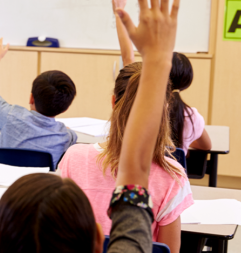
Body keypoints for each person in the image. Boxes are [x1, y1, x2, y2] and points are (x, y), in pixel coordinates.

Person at [0, 0, 183, 253]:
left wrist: (155, 58)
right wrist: (158, 58)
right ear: (98, 240)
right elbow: (136, 171)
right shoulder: (172, 176)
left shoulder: (74, 157)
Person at [58, 61, 193, 252]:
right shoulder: (172, 176)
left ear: (114, 102)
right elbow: (168, 249)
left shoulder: (73, 158)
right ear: (166, 106)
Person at [111, 0, 211, 152]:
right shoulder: (191, 116)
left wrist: (118, 12)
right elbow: (206, 147)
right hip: (172, 175)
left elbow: (127, 55)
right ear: (187, 82)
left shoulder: (139, 104)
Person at [0, 38, 77, 167]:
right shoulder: (66, 136)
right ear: (65, 109)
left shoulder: (9, 115)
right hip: (38, 186)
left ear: (31, 98)